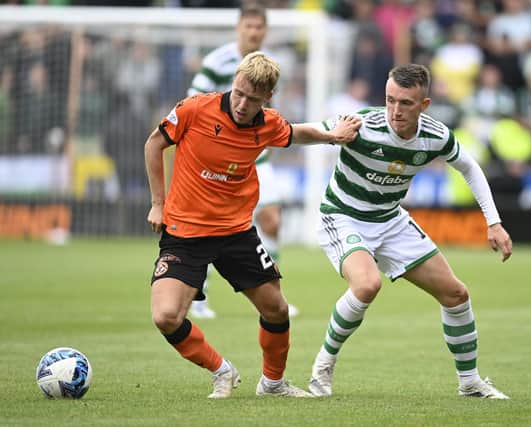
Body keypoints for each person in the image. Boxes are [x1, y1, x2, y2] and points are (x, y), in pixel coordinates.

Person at [145, 51, 360, 398]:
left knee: (276, 309)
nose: (243, 104)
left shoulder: (268, 123)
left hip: (235, 233)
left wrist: (333, 136)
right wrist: (158, 203)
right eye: (239, 93)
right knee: (166, 316)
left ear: (267, 98)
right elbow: (154, 144)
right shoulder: (194, 109)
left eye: (253, 99)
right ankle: (221, 371)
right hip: (185, 234)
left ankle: (273, 384)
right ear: (234, 82)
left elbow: (295, 133)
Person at [307, 64, 512, 399]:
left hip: (390, 220)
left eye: (405, 103)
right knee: (367, 284)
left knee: (456, 294)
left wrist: (493, 221)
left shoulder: (435, 135)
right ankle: (322, 368)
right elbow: (303, 132)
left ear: (424, 105)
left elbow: (470, 167)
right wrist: (330, 135)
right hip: (344, 216)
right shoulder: (361, 124)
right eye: (390, 100)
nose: (395, 111)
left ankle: (470, 382)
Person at [187, 3, 298, 319]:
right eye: (248, 26)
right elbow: (192, 101)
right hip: (220, 159)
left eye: (259, 27)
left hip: (256, 157)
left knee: (272, 221)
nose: (253, 32)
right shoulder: (217, 61)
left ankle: (273, 296)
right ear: (239, 28)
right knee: (211, 226)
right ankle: (197, 297)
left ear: (265, 31)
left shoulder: (269, 65)